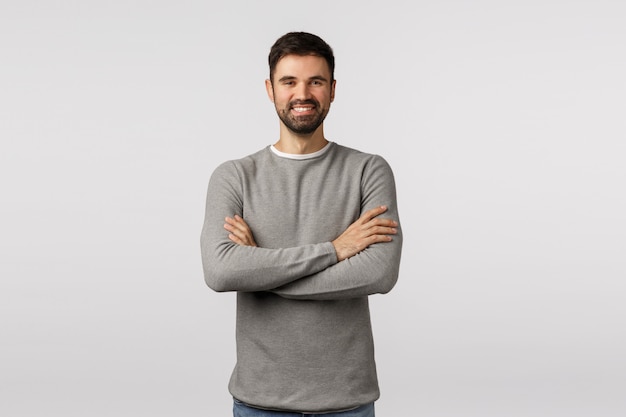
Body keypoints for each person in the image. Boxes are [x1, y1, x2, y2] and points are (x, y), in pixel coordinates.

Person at [200, 31, 403, 417]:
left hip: (347, 402)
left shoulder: (368, 171)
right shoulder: (234, 177)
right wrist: (336, 250)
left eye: (316, 81)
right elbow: (221, 271)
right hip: (259, 402)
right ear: (270, 89)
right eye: (289, 81)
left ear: (333, 89)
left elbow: (379, 273)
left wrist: (260, 267)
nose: (302, 94)